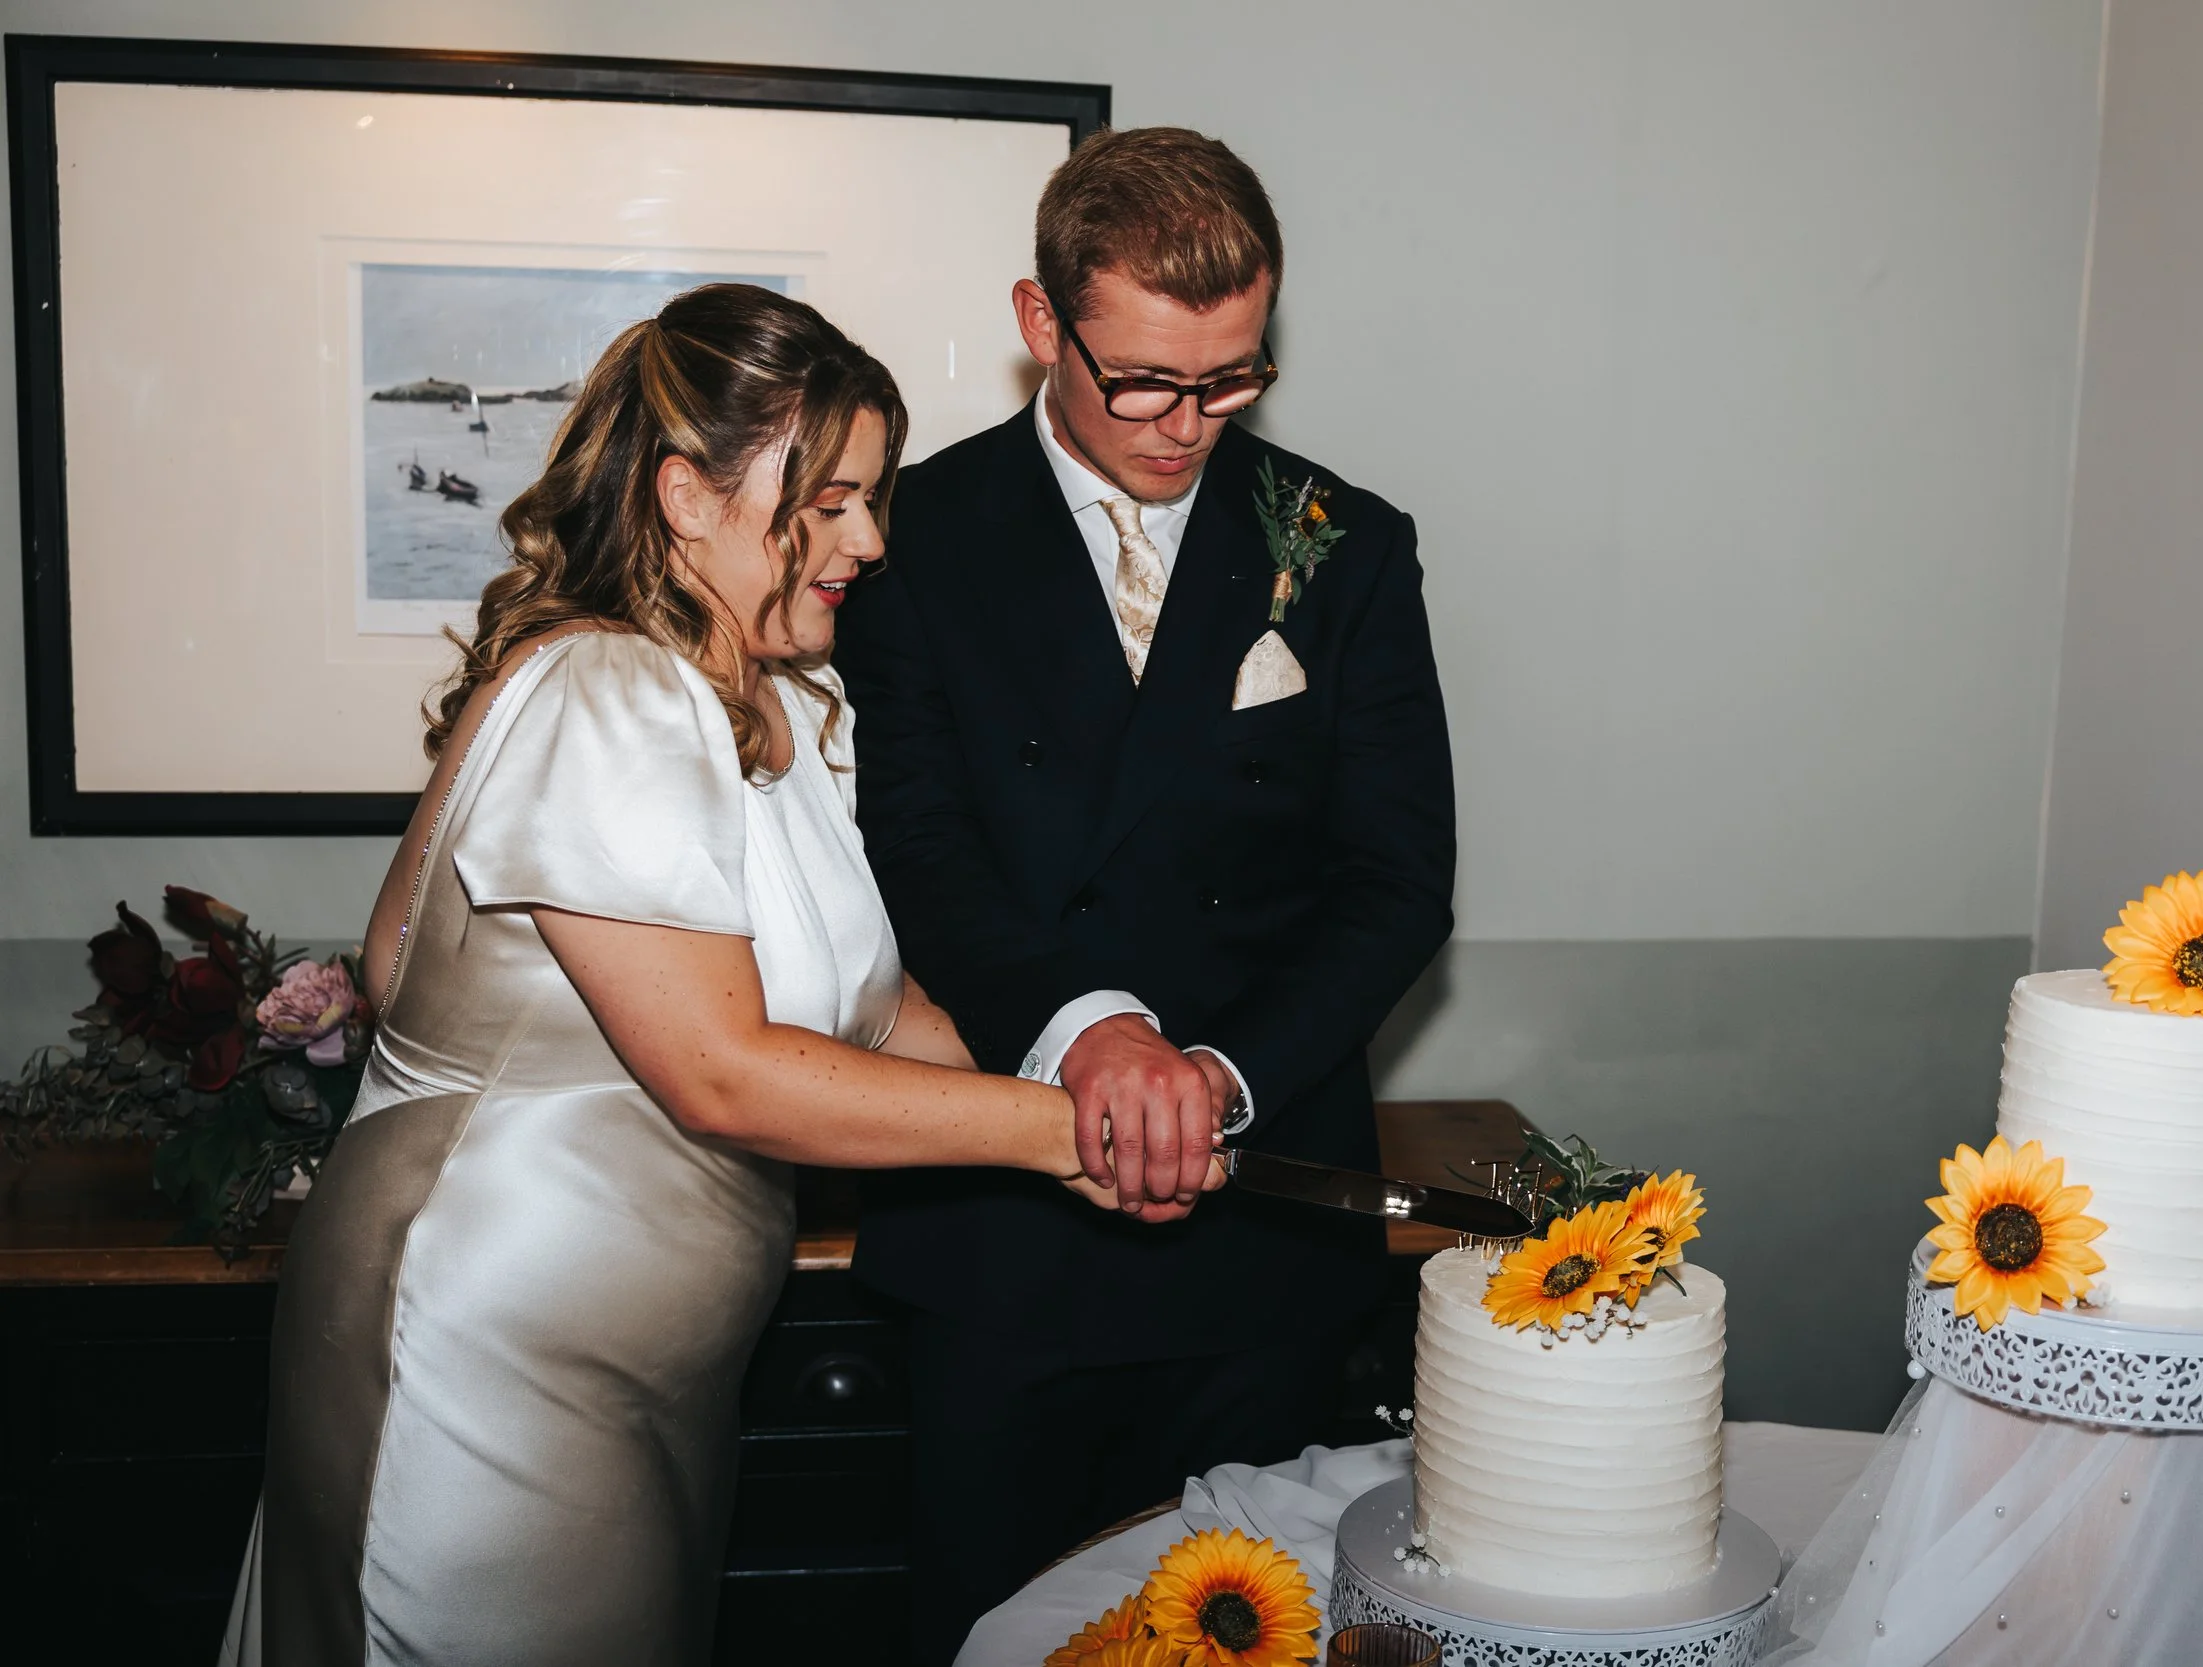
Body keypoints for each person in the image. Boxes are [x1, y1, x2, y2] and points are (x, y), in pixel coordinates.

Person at [217, 284, 1218, 1666]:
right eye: (831, 499)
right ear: (686, 496)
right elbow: (721, 1068)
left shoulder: (781, 707)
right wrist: (1063, 1138)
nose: (870, 538)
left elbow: (886, 1011)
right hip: (487, 1347)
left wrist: (1089, 1086)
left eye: (873, 498)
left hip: (654, 1364)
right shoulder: (606, 691)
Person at [833, 127, 1457, 1658]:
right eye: (1147, 383)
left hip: (1265, 1235)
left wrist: (1223, 1074)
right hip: (1002, 1230)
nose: (1190, 425)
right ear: (1043, 325)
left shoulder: (1345, 547)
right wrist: (1087, 1026)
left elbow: (1399, 879)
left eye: (1234, 377)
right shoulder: (902, 540)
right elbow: (909, 842)